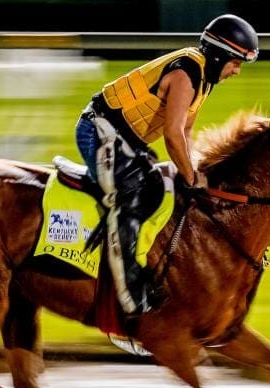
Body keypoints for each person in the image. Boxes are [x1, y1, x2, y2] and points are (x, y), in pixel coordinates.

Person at [74, 13, 259, 316]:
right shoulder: (187, 73)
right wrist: (190, 175)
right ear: (219, 56)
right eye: (236, 62)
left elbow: (186, 132)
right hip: (99, 132)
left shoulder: (204, 80)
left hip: (126, 139)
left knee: (164, 189)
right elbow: (172, 134)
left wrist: (196, 171)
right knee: (131, 197)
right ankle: (129, 294)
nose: (237, 71)